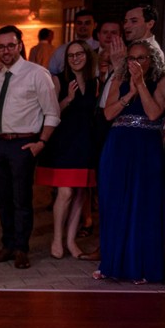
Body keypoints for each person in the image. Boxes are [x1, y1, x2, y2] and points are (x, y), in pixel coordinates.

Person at [0, 25, 60, 270]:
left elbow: (52, 112)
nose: (5, 51)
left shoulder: (37, 74)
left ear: (19, 45)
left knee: (21, 199)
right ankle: (7, 244)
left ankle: (21, 249)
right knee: (3, 199)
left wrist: (42, 143)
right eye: (1, 46)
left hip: (23, 144)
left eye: (10, 45)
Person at [95, 41, 165, 284]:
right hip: (118, 146)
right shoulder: (118, 79)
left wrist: (141, 86)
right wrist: (130, 93)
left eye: (143, 58)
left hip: (146, 147)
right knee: (115, 203)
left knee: (143, 204)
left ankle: (141, 267)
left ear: (152, 60)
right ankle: (112, 264)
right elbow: (107, 114)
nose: (137, 63)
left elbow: (155, 113)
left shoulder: (161, 81)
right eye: (132, 58)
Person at [36, 40, 98, 260]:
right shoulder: (59, 79)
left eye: (79, 54)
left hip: (85, 142)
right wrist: (69, 99)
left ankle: (71, 241)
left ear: (87, 55)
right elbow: (51, 112)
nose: (75, 58)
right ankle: (57, 238)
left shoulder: (95, 82)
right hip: (64, 143)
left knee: (81, 192)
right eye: (71, 55)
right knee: (65, 192)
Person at [47, 10, 99, 76]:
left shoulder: (100, 48)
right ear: (75, 25)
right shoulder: (61, 50)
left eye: (87, 23)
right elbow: (51, 73)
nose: (83, 26)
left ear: (95, 25)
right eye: (79, 23)